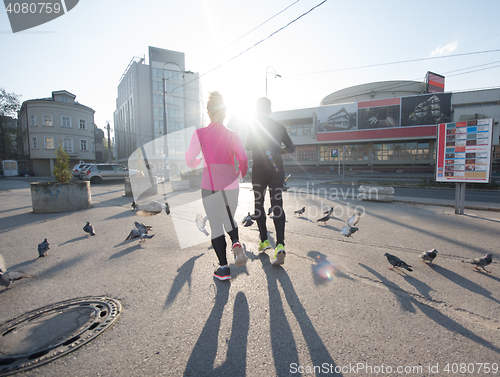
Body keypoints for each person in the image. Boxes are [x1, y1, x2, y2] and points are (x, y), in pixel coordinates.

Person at [185, 91, 248, 281]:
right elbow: (243, 158)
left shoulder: (200, 134)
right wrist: (240, 173)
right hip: (231, 185)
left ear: (208, 112)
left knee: (215, 225)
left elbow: (189, 158)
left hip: (210, 185)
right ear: (224, 113)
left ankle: (223, 269)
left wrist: (196, 163)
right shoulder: (233, 135)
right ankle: (236, 243)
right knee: (228, 218)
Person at [246, 97, 295, 265]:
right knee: (277, 206)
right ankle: (280, 245)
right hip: (276, 170)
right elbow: (291, 147)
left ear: (257, 110)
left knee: (258, 204)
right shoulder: (279, 127)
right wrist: (276, 150)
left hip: (259, 170)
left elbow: (248, 145)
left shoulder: (254, 125)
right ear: (270, 110)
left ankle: (264, 240)